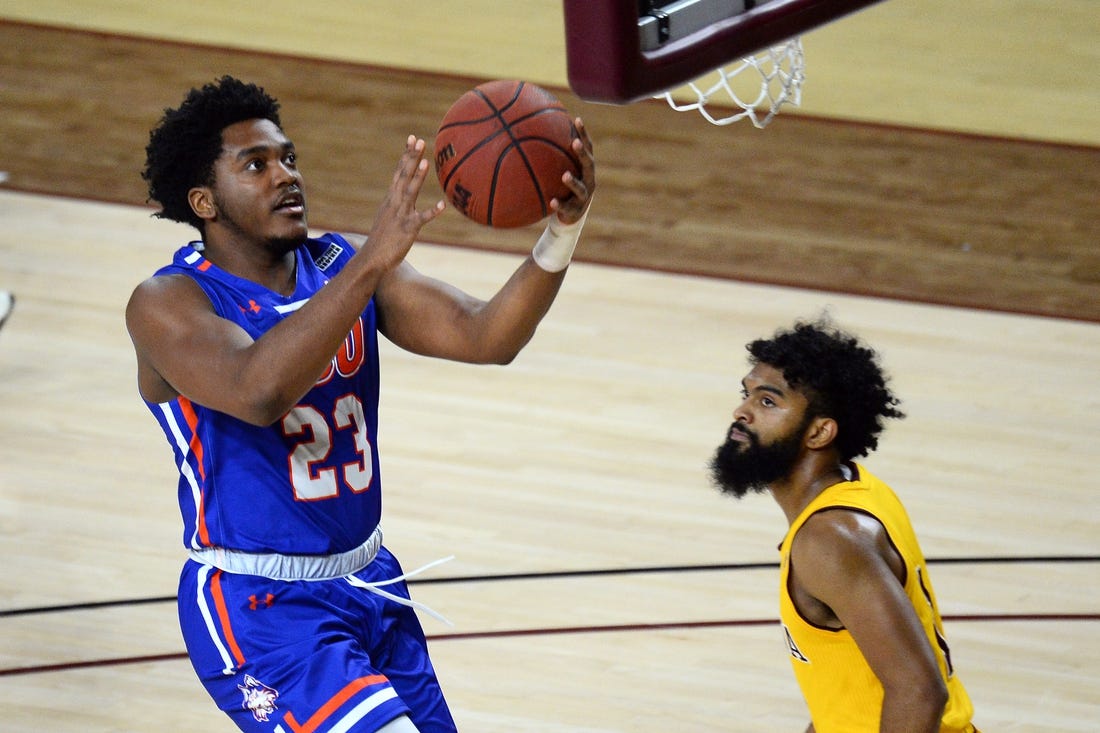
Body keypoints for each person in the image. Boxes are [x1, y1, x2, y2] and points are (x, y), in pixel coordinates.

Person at [126, 76, 594, 733]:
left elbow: (487, 335)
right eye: (255, 165)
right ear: (204, 201)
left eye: (288, 157)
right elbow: (257, 390)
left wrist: (562, 230)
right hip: (259, 609)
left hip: (370, 580)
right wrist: (370, 263)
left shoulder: (338, 264)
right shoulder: (169, 302)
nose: (285, 176)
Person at [708, 319, 977, 733]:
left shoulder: (829, 539)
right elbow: (848, 693)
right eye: (747, 394)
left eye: (768, 402)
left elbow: (919, 692)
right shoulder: (859, 492)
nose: (741, 412)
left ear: (819, 432)